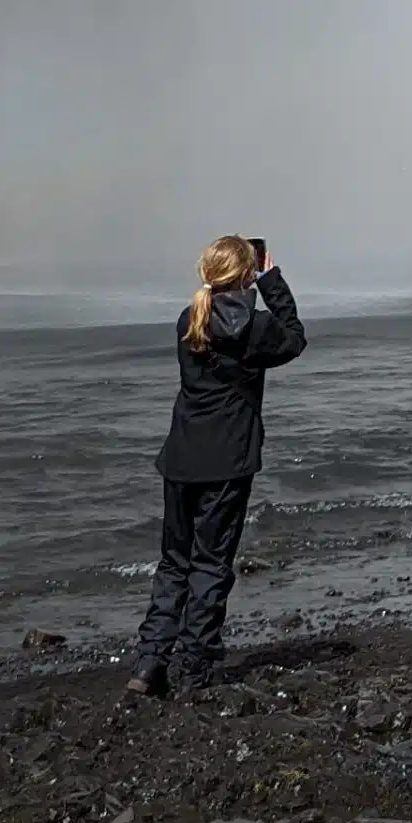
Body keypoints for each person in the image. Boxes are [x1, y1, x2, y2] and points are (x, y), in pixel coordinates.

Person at [130, 233, 306, 698]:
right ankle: (194, 667)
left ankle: (149, 664)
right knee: (210, 565)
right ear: (247, 273)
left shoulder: (192, 319)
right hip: (226, 462)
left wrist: (252, 278)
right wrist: (272, 281)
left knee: (174, 563)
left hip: (182, 457)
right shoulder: (256, 328)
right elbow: (295, 337)